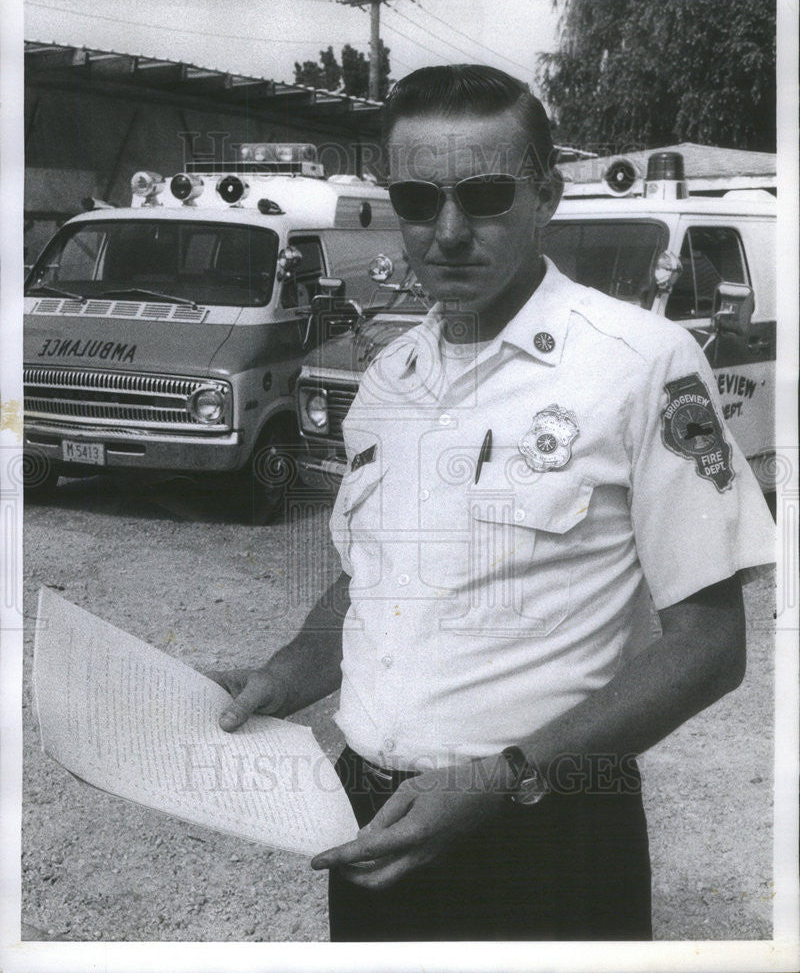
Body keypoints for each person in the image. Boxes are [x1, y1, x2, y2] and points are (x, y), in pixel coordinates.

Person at [211, 65, 775, 941]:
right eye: (414, 197)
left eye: (483, 195)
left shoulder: (639, 364)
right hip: (372, 815)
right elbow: (378, 580)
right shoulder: (391, 374)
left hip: (545, 825)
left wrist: (505, 779)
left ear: (546, 194)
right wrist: (289, 671)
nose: (446, 233)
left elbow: (709, 649)